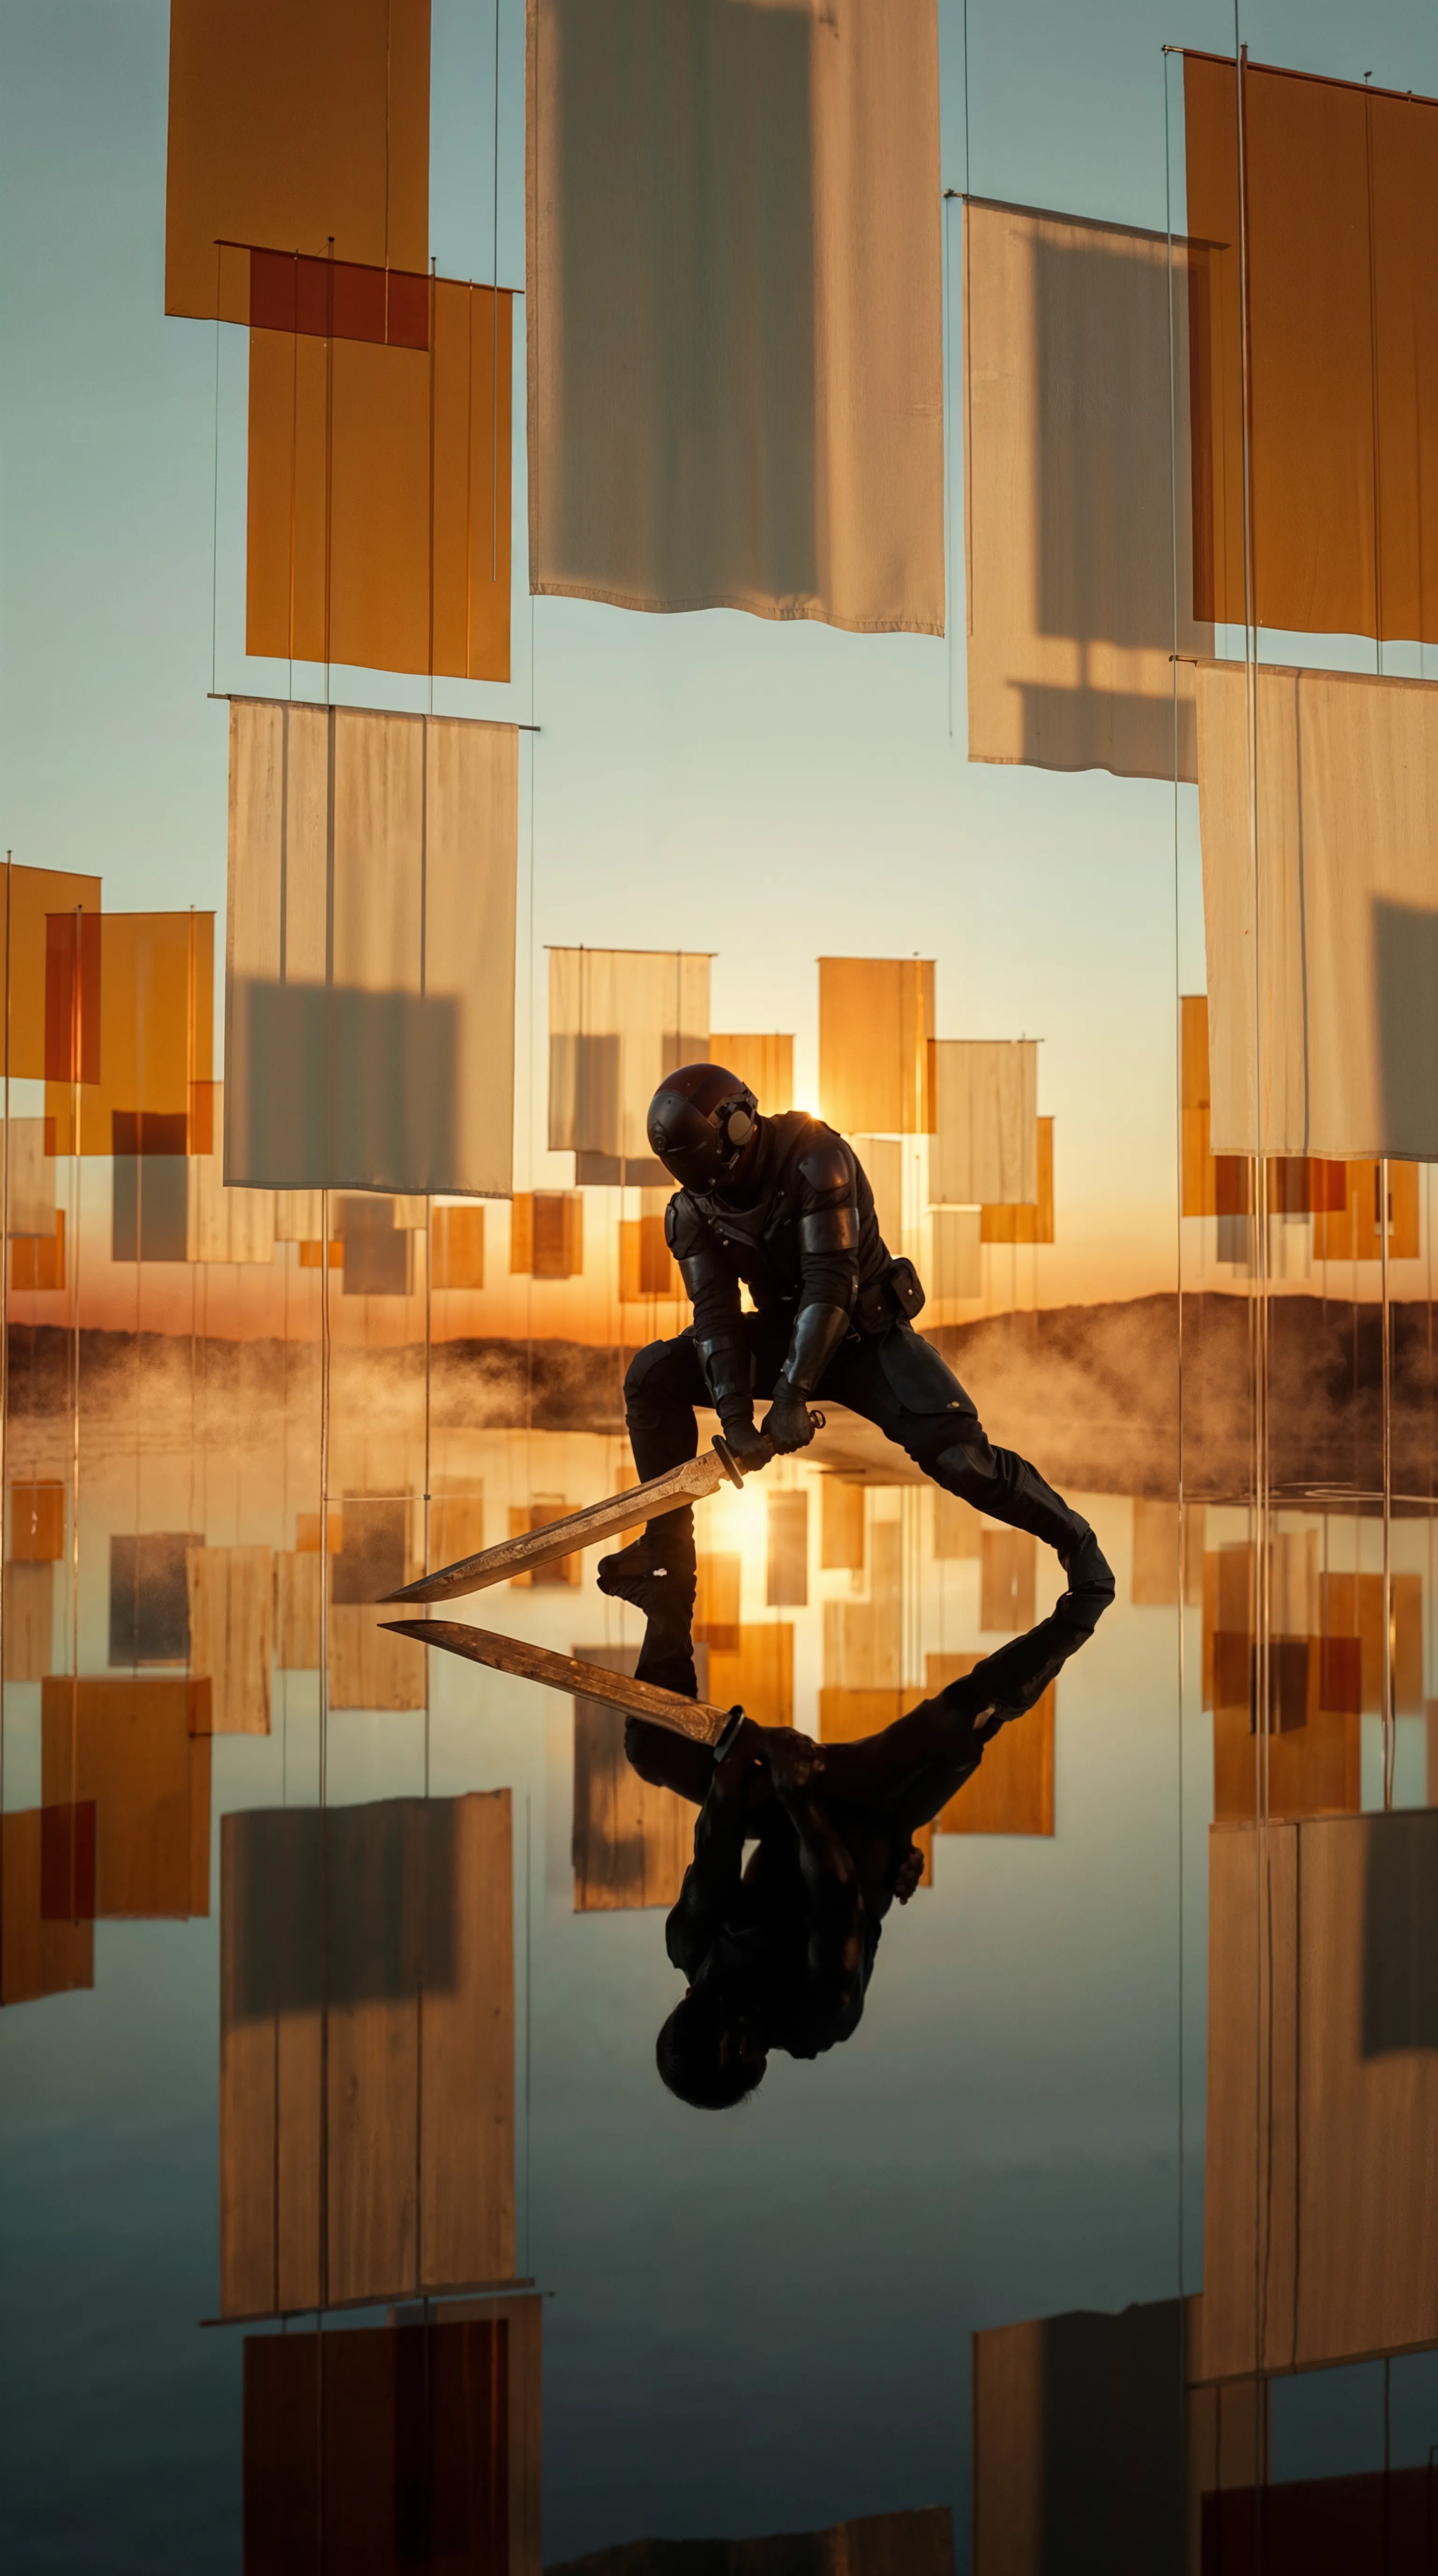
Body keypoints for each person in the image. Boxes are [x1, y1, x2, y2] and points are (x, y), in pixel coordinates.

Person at [598, 1060, 1114, 1697]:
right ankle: (665, 1552)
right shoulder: (692, 1208)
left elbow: (831, 1282)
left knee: (962, 1458)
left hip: (866, 1337)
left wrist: (791, 1396)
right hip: (786, 1333)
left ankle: (1077, 1543)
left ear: (740, 1124)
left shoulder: (817, 1158)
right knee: (653, 1376)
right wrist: (735, 1419)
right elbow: (716, 1318)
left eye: (721, 1172)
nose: (720, 1190)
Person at [627, 1582, 1106, 2107]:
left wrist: (749, 1748)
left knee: (652, 1747)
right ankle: (1087, 1600)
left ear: (691, 1999)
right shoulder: (817, 2019)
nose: (748, 2040)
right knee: (963, 1722)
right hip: (872, 1816)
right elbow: (838, 1901)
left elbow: (716, 1845)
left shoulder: (693, 1948)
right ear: (754, 2064)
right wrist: (794, 1792)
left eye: (728, 2036)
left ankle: (665, 1583)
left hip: (794, 1799)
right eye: (745, 2056)